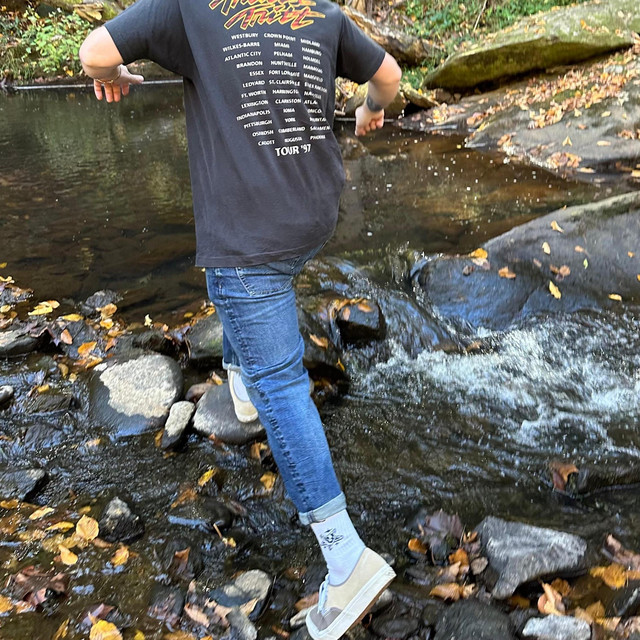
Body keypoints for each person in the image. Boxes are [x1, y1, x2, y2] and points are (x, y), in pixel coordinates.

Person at [79, 2, 401, 638]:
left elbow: (94, 54)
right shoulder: (322, 10)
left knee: (280, 380)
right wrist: (368, 110)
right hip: (313, 212)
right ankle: (242, 372)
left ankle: (347, 558)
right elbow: (387, 75)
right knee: (238, 272)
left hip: (251, 236)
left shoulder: (189, 8)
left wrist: (117, 75)